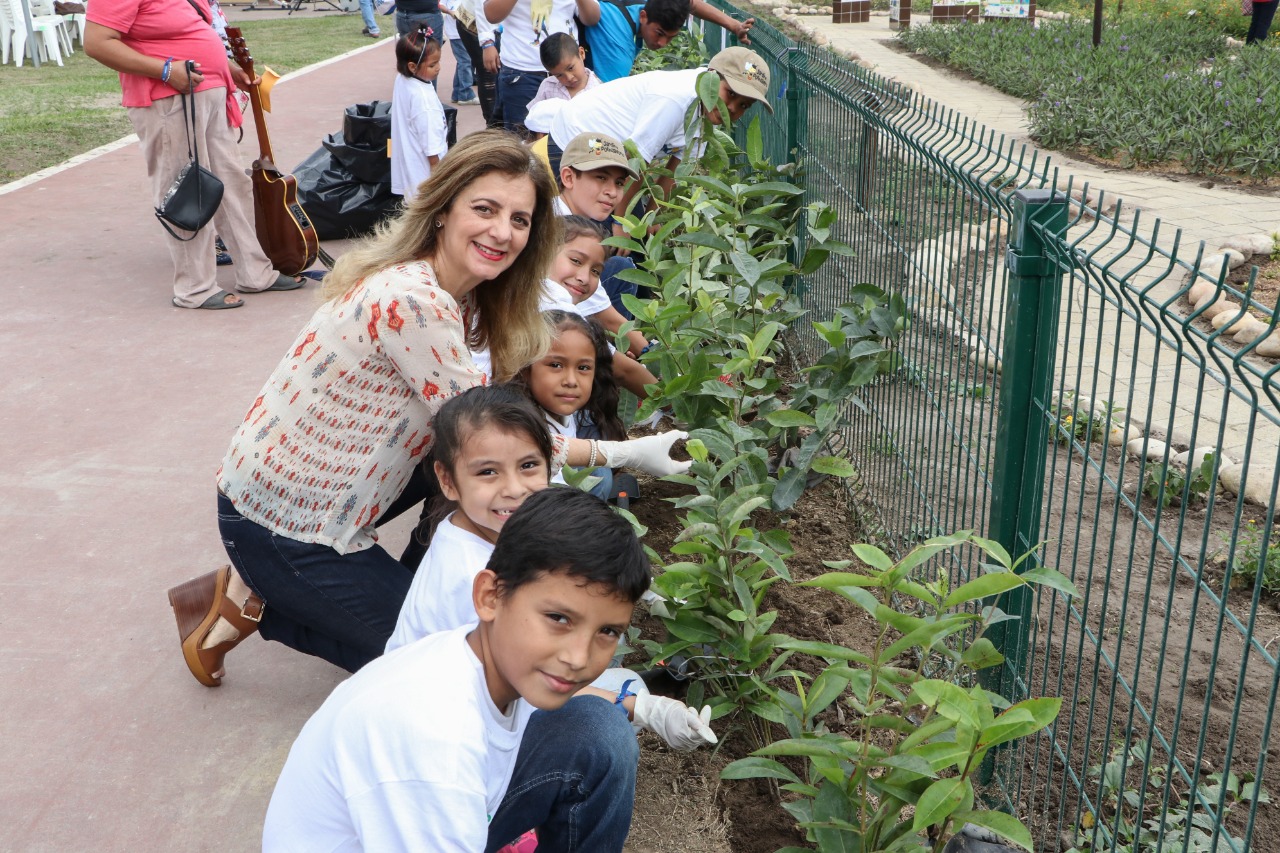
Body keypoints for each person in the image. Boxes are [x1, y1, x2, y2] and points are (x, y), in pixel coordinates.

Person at [165, 130, 690, 686]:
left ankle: (383, 583)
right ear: (443, 209)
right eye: (484, 209)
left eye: (519, 219)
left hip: (334, 487)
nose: (502, 231)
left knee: (473, 472)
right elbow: (497, 440)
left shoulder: (463, 290)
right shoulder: (415, 301)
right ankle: (254, 601)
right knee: (436, 666)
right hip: (282, 521)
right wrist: (626, 456)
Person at [263, 487, 652, 851]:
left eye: (607, 631)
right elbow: (440, 760)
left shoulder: (490, 662)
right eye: (558, 618)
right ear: (489, 597)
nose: (579, 657)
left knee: (597, 732)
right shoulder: (436, 738)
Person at [85, 0, 308, 310]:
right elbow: (96, 43)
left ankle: (256, 273)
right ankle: (195, 287)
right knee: (185, 190)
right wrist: (165, 70)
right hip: (169, 98)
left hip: (209, 92)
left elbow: (191, 29)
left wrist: (227, 69)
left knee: (233, 186)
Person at [386, 384, 553, 652]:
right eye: (488, 472)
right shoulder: (477, 575)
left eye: (528, 465)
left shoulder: (465, 526)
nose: (514, 489)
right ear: (447, 480)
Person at [548, 46, 773, 215]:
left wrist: (653, 217)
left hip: (612, 162)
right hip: (573, 142)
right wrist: (620, 222)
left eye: (744, 105)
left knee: (631, 240)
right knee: (592, 236)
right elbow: (636, 160)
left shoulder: (706, 115)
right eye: (730, 93)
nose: (732, 108)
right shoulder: (675, 98)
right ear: (711, 77)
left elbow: (676, 172)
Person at [552, 133, 648, 354]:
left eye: (619, 183)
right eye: (601, 178)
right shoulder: (554, 227)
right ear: (568, 177)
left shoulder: (576, 221)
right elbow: (610, 319)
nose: (612, 192)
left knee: (620, 267)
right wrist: (656, 357)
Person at [515, 310, 626, 500]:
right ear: (526, 368)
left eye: (583, 368)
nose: (571, 381)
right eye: (556, 365)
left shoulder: (564, 412)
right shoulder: (521, 427)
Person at [543, 215, 657, 396]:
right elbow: (624, 371)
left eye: (596, 271)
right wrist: (673, 403)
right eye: (576, 261)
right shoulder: (557, 306)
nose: (584, 278)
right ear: (543, 251)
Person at [483, 0, 601, 135]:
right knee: (524, 137)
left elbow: (592, 18)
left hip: (570, 65)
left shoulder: (593, 83)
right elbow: (491, 14)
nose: (567, 77)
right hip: (521, 72)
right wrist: (487, 41)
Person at [584, 0, 755, 83]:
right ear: (643, 16)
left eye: (670, 37)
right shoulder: (618, 50)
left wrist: (734, 25)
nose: (662, 43)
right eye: (659, 33)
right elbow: (607, 100)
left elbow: (690, 4)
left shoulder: (654, 4)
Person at [390, 27, 448, 200]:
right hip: (425, 179)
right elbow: (431, 146)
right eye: (432, 65)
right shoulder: (424, 101)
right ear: (412, 66)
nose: (438, 68)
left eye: (438, 62)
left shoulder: (402, 79)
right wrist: (439, 179)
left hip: (409, 173)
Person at [527, 32, 599, 107]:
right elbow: (534, 112)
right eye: (559, 75)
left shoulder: (599, 86)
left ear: (581, 53)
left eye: (570, 68)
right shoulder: (547, 87)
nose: (569, 78)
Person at [442, 0, 480, 105]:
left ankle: (457, 94)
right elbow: (440, 5)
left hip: (466, 31)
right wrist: (451, 12)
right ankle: (465, 94)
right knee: (465, 62)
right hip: (456, 33)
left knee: (463, 62)